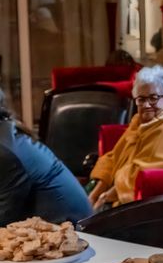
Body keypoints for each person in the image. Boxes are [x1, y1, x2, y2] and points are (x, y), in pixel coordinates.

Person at [88, 65, 163, 210]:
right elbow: (114, 157)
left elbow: (141, 178)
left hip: (156, 208)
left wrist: (103, 198)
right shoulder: (140, 122)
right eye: (141, 99)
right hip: (115, 192)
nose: (146, 105)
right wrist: (95, 193)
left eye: (153, 98)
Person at [0, 88, 93, 226]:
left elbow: (4, 219)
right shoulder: (6, 134)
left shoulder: (5, 151)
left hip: (73, 235)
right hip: (50, 229)